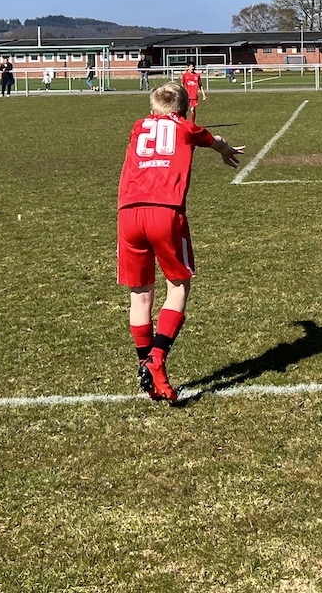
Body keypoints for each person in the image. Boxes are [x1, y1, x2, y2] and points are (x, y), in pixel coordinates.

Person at [117, 82, 243, 403]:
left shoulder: (138, 126)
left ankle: (147, 372)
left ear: (152, 108)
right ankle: (156, 359)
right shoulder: (186, 127)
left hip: (128, 213)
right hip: (165, 211)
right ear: (185, 110)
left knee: (140, 295)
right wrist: (224, 148)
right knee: (178, 285)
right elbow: (213, 140)